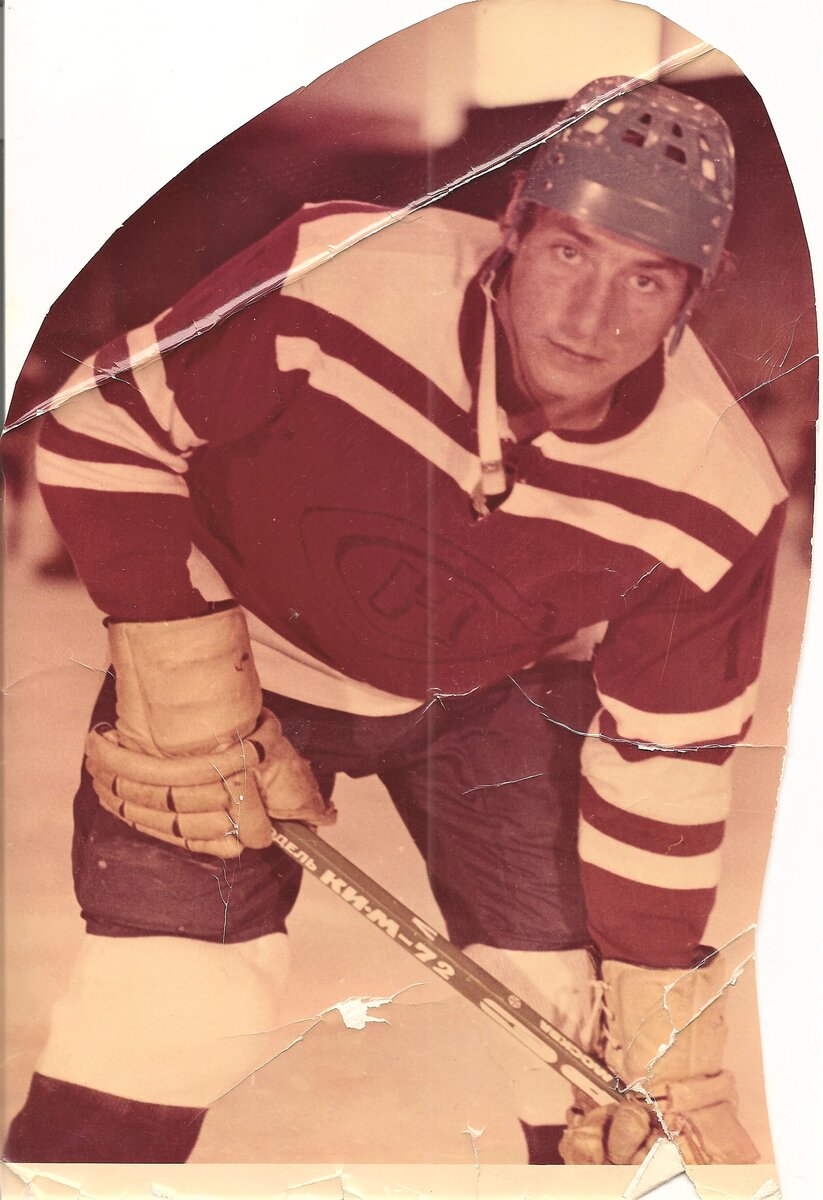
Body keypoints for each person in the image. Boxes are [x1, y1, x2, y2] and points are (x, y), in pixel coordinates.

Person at [5, 76, 783, 1167]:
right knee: (165, 1010)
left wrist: (655, 1001)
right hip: (240, 648)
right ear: (512, 230)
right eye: (570, 252)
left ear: (692, 296)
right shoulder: (343, 273)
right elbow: (100, 424)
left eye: (644, 278)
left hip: (486, 692)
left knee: (586, 1059)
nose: (591, 317)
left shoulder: (716, 491)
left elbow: (666, 760)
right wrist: (180, 670)